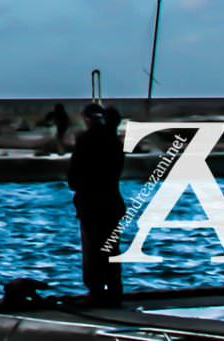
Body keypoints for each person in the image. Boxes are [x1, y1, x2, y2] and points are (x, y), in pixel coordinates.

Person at [67, 103, 125, 304]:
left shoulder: (86, 140)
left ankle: (96, 292)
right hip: (112, 203)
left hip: (91, 204)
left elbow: (74, 177)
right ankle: (115, 291)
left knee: (92, 250)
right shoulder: (115, 142)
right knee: (111, 248)